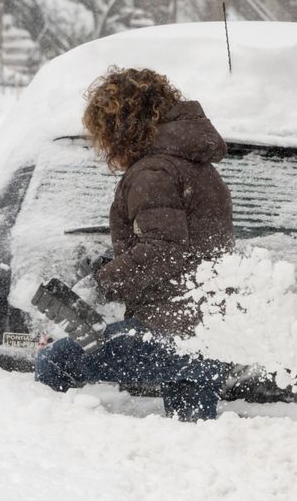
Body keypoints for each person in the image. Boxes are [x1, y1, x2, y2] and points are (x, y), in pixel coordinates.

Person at [34, 67, 258, 420]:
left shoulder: (153, 172)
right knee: (192, 431)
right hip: (212, 334)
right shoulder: (195, 167)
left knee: (55, 361)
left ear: (120, 126)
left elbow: (163, 249)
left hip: (171, 333)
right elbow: (182, 244)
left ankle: (46, 446)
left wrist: (100, 284)